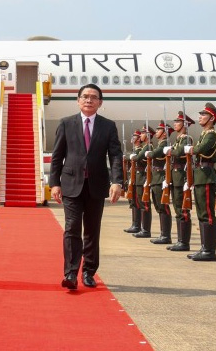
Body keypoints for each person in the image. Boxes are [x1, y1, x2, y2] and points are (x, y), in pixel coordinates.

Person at [50, 83, 123, 290]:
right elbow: (57, 157)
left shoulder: (108, 126)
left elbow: (115, 155)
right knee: (72, 228)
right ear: (78, 100)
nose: (89, 100)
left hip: (97, 186)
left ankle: (89, 271)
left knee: (92, 230)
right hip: (71, 185)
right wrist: (54, 183)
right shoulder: (66, 123)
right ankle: (71, 273)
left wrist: (117, 181)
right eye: (85, 96)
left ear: (100, 102)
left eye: (93, 97)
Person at [184, 103, 216, 262]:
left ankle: (209, 251)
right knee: (201, 214)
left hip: (206, 175)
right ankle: (204, 248)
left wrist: (192, 149)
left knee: (207, 214)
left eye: (203, 115)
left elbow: (200, 149)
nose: (200, 117)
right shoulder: (204, 134)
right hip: (200, 175)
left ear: (212, 118)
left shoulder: (211, 134)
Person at [164, 111, 195, 252]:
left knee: (182, 209)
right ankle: (180, 240)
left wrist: (170, 150)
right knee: (177, 208)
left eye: (178, 122)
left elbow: (178, 153)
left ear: (185, 124)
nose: (175, 124)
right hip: (175, 176)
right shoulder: (178, 139)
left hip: (181, 176)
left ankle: (184, 242)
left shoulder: (186, 139)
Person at [147, 121, 174, 245]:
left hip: (161, 177)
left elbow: (154, 154)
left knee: (163, 207)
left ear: (164, 133)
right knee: (159, 207)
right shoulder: (160, 144)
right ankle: (163, 234)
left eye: (159, 130)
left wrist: (149, 153)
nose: (156, 132)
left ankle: (166, 235)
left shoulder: (165, 144)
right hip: (156, 178)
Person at [131, 125, 155, 238]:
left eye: (142, 133)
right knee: (138, 202)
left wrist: (131, 156)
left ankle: (145, 230)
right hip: (138, 176)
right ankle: (139, 226)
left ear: (148, 135)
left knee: (144, 203)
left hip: (143, 176)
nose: (140, 135)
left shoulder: (147, 147)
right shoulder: (144, 147)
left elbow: (137, 158)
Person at [124, 130, 142, 233]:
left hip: (138, 178)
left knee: (137, 202)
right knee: (133, 202)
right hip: (133, 178)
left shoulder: (140, 150)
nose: (132, 137)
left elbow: (136, 159)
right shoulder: (134, 150)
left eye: (135, 136)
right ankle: (135, 224)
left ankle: (138, 226)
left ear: (139, 139)